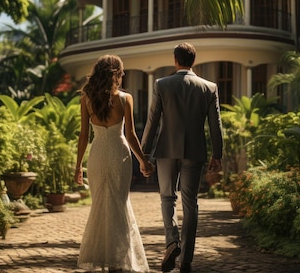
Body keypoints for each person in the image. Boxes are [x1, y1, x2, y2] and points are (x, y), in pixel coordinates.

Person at [141, 43, 223, 273]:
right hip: (195, 152)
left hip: (166, 150)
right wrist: (217, 154)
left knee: (167, 197)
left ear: (175, 60)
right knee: (190, 203)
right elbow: (215, 125)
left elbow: (152, 120)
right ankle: (186, 259)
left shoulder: (162, 84)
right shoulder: (209, 87)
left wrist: (143, 152)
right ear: (193, 61)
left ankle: (172, 242)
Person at [75, 55, 154, 273]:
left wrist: (78, 166)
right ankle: (118, 260)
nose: (124, 74)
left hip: (98, 155)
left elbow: (83, 136)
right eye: (122, 71)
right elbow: (130, 135)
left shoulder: (86, 99)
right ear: (116, 74)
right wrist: (143, 161)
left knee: (100, 206)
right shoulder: (125, 99)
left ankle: (105, 259)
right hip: (119, 154)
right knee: (118, 204)